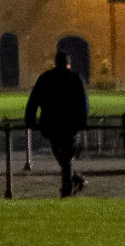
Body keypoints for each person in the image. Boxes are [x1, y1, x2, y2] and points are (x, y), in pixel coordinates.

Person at [25, 45, 90, 196]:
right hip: (70, 123)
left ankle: (67, 187)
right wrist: (83, 120)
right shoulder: (75, 78)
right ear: (68, 64)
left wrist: (30, 119)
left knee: (61, 155)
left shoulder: (45, 78)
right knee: (66, 156)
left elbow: (34, 100)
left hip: (51, 123)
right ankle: (72, 182)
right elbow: (83, 102)